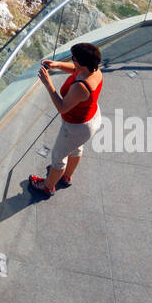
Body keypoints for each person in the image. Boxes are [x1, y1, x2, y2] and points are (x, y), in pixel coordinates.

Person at [29, 42, 105, 197]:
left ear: (81, 62)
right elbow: (76, 69)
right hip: (91, 118)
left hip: (76, 127)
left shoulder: (81, 87)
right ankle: (66, 176)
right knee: (76, 148)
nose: (72, 61)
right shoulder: (94, 70)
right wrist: (57, 64)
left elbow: (62, 107)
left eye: (73, 58)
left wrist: (48, 84)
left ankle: (47, 187)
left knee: (58, 157)